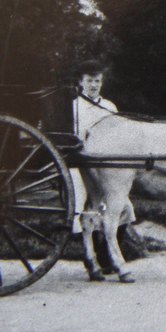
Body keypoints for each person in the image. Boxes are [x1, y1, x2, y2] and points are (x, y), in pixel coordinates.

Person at [70, 60, 117, 234]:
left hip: (105, 161)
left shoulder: (109, 107)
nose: (94, 85)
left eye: (97, 81)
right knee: (80, 190)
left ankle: (112, 230)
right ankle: (78, 230)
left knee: (116, 195)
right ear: (81, 82)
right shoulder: (74, 107)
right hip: (81, 160)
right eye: (89, 80)